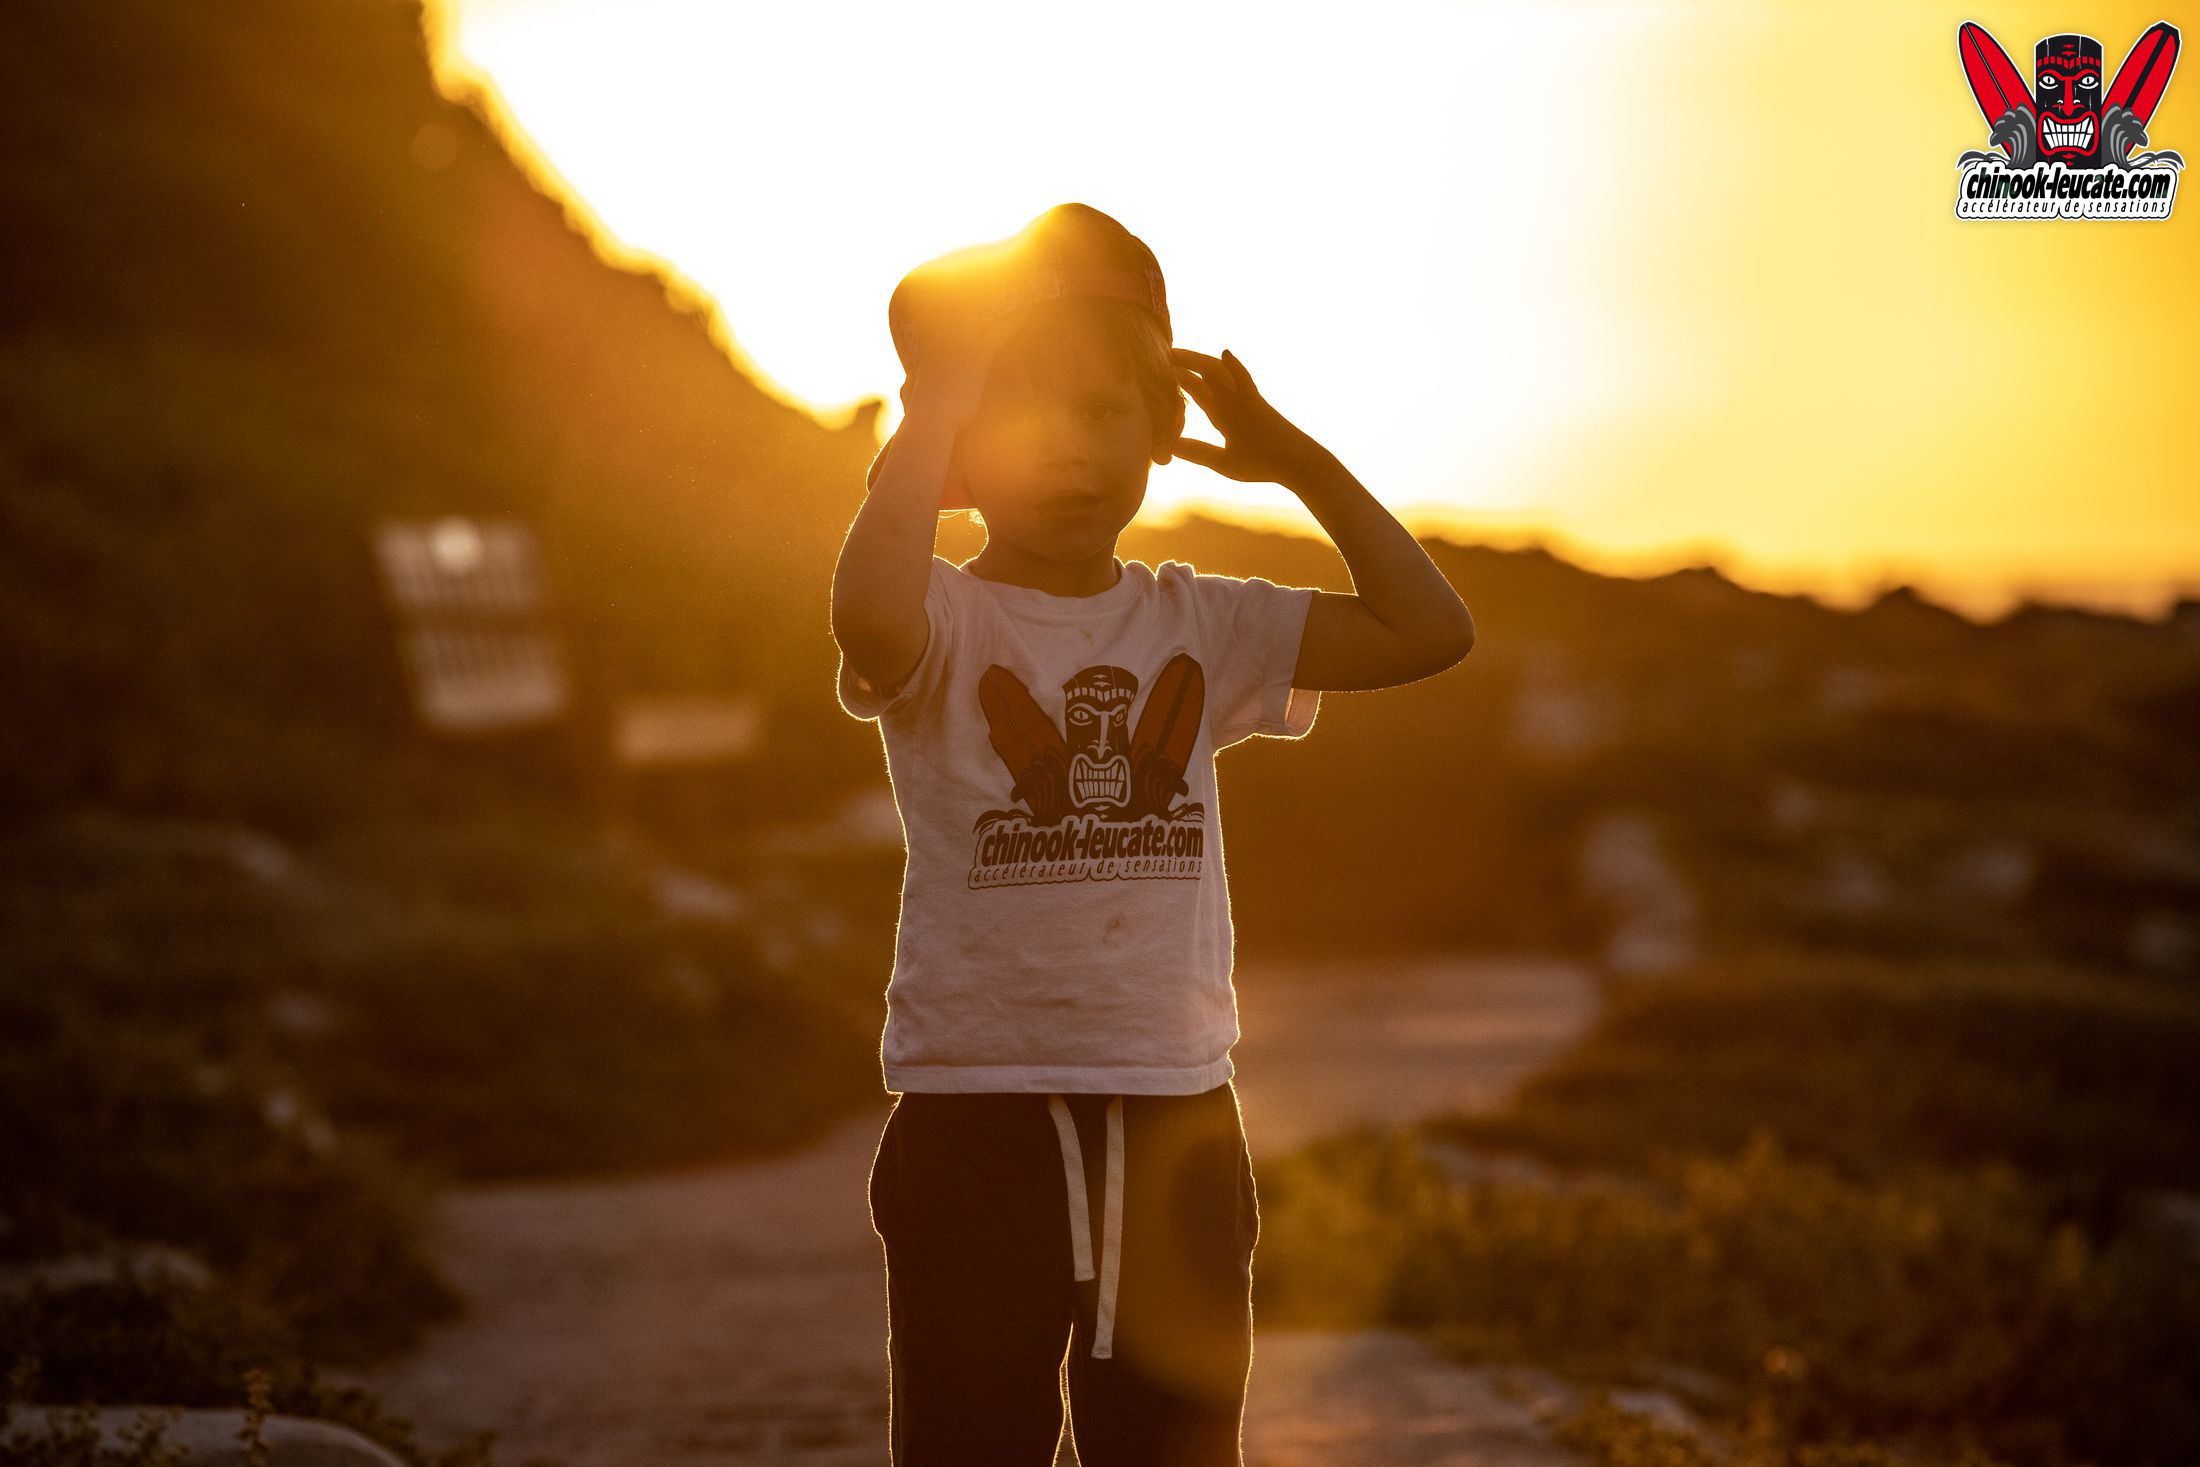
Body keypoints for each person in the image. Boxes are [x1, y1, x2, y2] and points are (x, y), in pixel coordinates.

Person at [830, 201, 1475, 1467]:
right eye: (1013, 412)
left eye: (1101, 409)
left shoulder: (1201, 623)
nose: (1068, 448)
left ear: (1160, 429)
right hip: (976, 1115)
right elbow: (865, 613)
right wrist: (933, 406)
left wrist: (1293, 460)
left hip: (1176, 1113)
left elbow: (1429, 630)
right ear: (958, 445)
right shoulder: (943, 621)